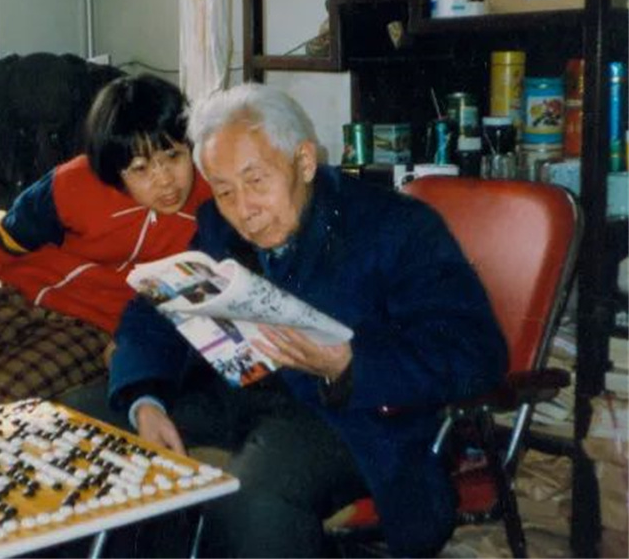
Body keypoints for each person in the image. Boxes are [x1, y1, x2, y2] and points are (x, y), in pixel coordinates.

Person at [70, 83, 507, 557]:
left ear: (304, 161)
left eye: (256, 181)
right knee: (79, 426)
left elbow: (476, 352)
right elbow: (153, 313)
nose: (244, 210)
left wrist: (350, 364)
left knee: (253, 499)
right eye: (225, 191)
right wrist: (144, 401)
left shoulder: (396, 227)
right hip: (237, 394)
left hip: (344, 415)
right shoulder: (218, 224)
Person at [0, 73, 211, 414]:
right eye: (140, 168)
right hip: (14, 296)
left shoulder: (211, 204)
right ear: (113, 169)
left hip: (92, 326)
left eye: (174, 156)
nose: (165, 180)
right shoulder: (74, 185)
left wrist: (133, 350)